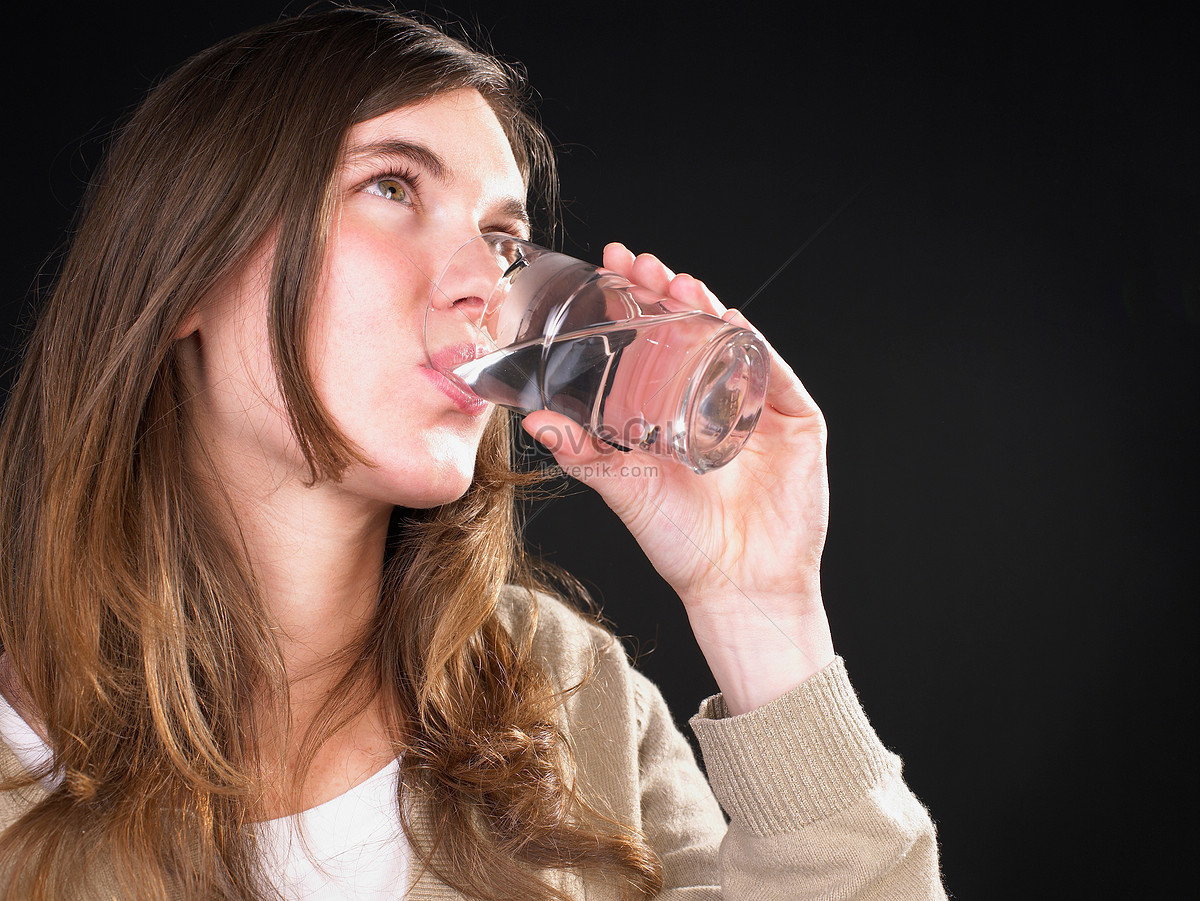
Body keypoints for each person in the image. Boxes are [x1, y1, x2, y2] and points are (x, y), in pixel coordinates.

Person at [0, 6, 946, 899]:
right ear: (183, 272)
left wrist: (759, 609)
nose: (482, 288)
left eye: (502, 239)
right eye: (391, 186)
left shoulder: (569, 698)